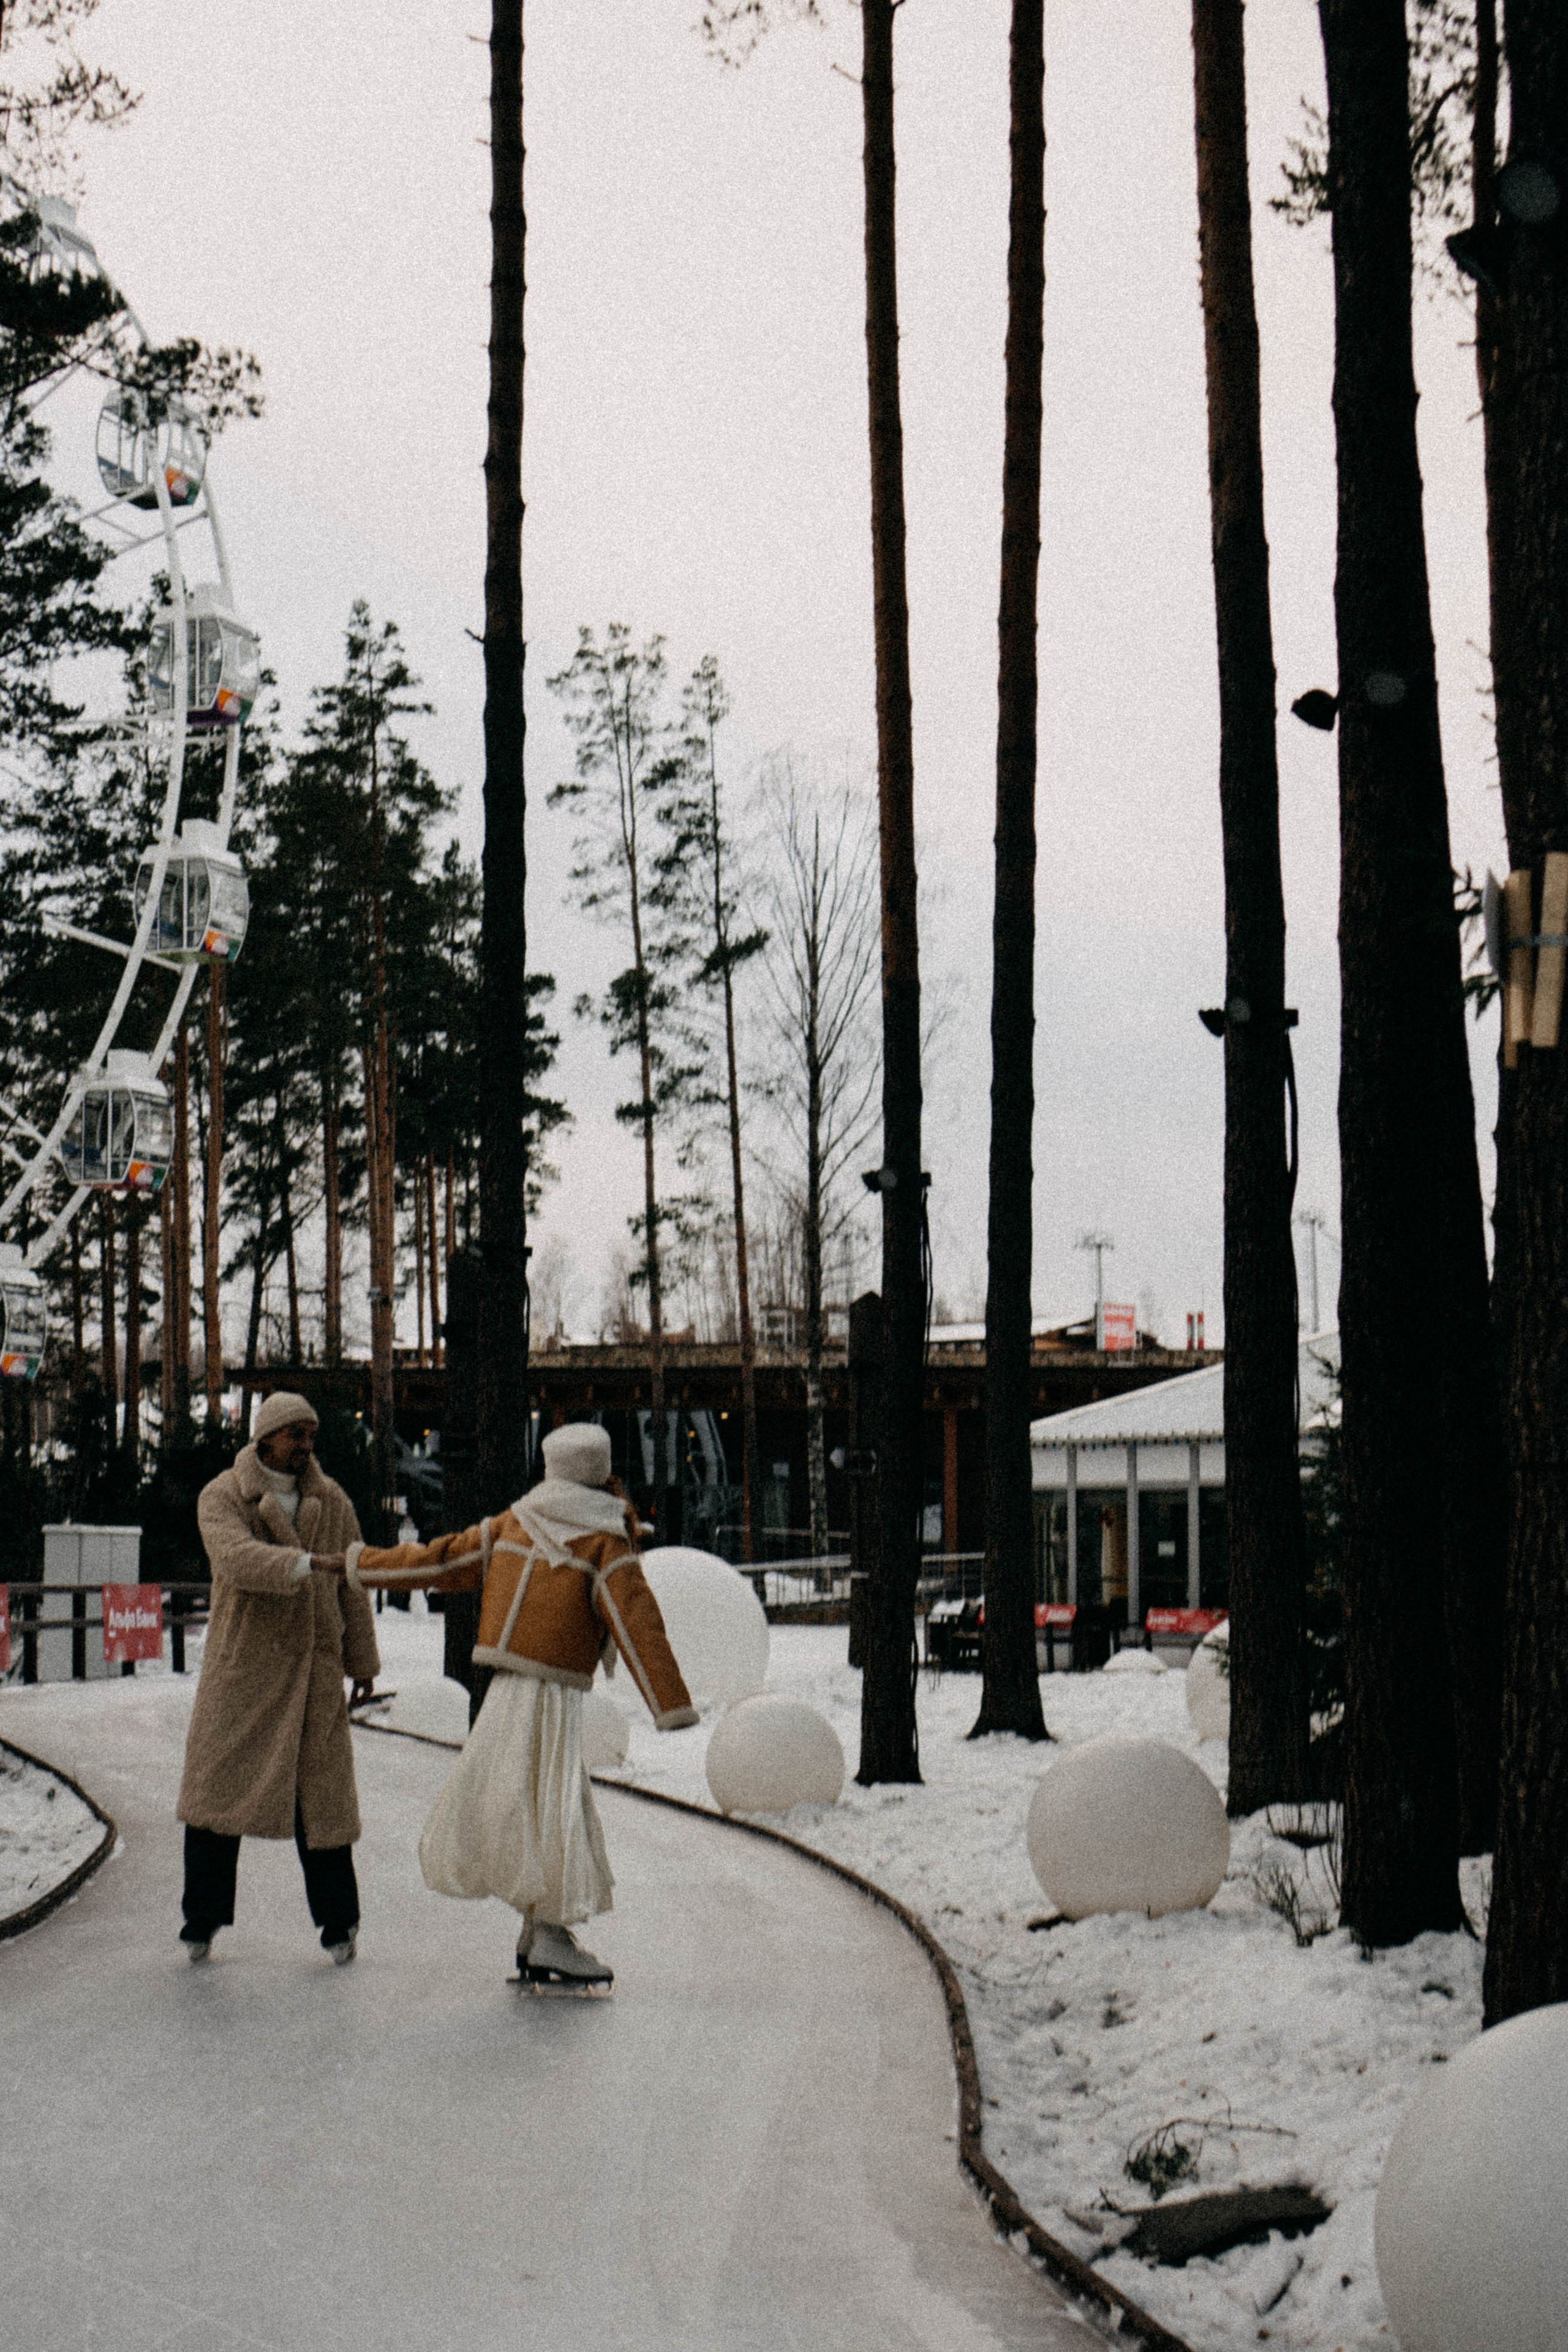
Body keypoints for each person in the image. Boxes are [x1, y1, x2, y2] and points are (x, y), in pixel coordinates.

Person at [347, 1421, 696, 1992]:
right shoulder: (604, 1536)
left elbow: (438, 1561)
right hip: (554, 1691)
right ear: (601, 1471)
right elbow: (638, 1620)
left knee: (532, 1800)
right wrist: (671, 1704)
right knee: (553, 1802)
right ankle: (549, 1931)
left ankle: (540, 1931)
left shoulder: (515, 1521)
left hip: (508, 1686)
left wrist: (363, 1564)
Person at [176, 1392, 379, 1966]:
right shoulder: (224, 1495)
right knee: (217, 1798)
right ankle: (202, 1919)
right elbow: (235, 1560)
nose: (306, 1447)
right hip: (243, 1672)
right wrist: (306, 1564)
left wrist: (361, 1663)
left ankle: (341, 1923)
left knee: (324, 1804)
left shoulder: (330, 1500)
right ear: (266, 1437)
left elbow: (353, 1586)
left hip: (315, 1674)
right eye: (296, 1435)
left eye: (311, 1436)